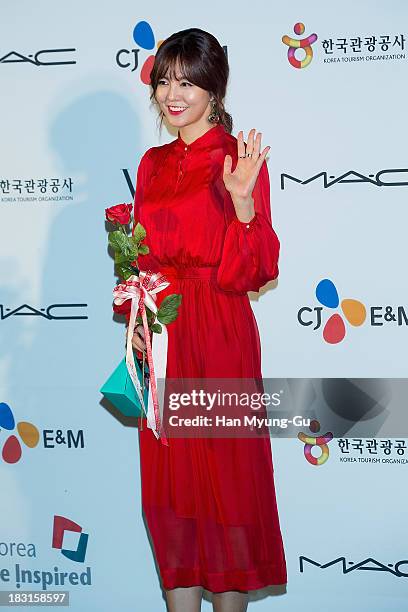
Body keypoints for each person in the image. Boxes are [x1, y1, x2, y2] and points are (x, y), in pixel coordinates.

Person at [113, 27, 287, 612]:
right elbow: (142, 255)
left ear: (214, 87)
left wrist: (242, 204)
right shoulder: (152, 162)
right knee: (171, 491)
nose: (173, 94)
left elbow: (256, 270)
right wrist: (138, 316)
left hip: (220, 336)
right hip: (164, 336)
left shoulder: (239, 157)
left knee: (226, 490)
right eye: (164, 81)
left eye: (186, 81)